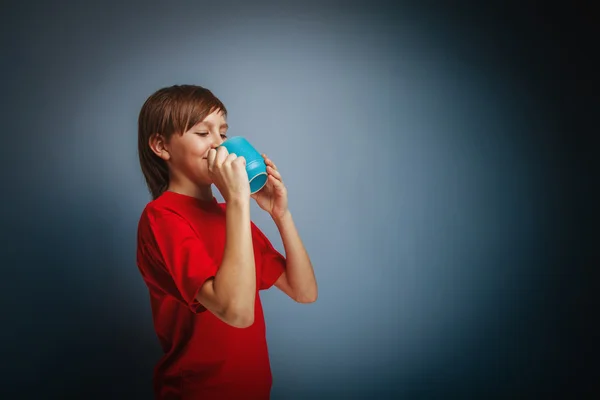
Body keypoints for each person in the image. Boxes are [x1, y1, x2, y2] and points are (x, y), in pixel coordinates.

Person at [135, 84, 318, 399]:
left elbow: (304, 291)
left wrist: (280, 214)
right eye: (202, 133)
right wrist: (237, 200)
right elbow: (238, 313)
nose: (219, 145)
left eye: (222, 133)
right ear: (162, 146)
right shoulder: (161, 218)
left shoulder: (230, 215)